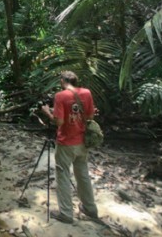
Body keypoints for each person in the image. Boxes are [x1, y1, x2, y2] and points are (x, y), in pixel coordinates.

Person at [41, 70, 99, 224]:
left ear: (62, 81)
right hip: (82, 141)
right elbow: (90, 116)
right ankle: (90, 209)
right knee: (83, 175)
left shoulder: (60, 96)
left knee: (63, 176)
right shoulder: (86, 93)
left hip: (66, 142)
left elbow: (59, 122)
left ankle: (66, 213)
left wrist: (47, 112)